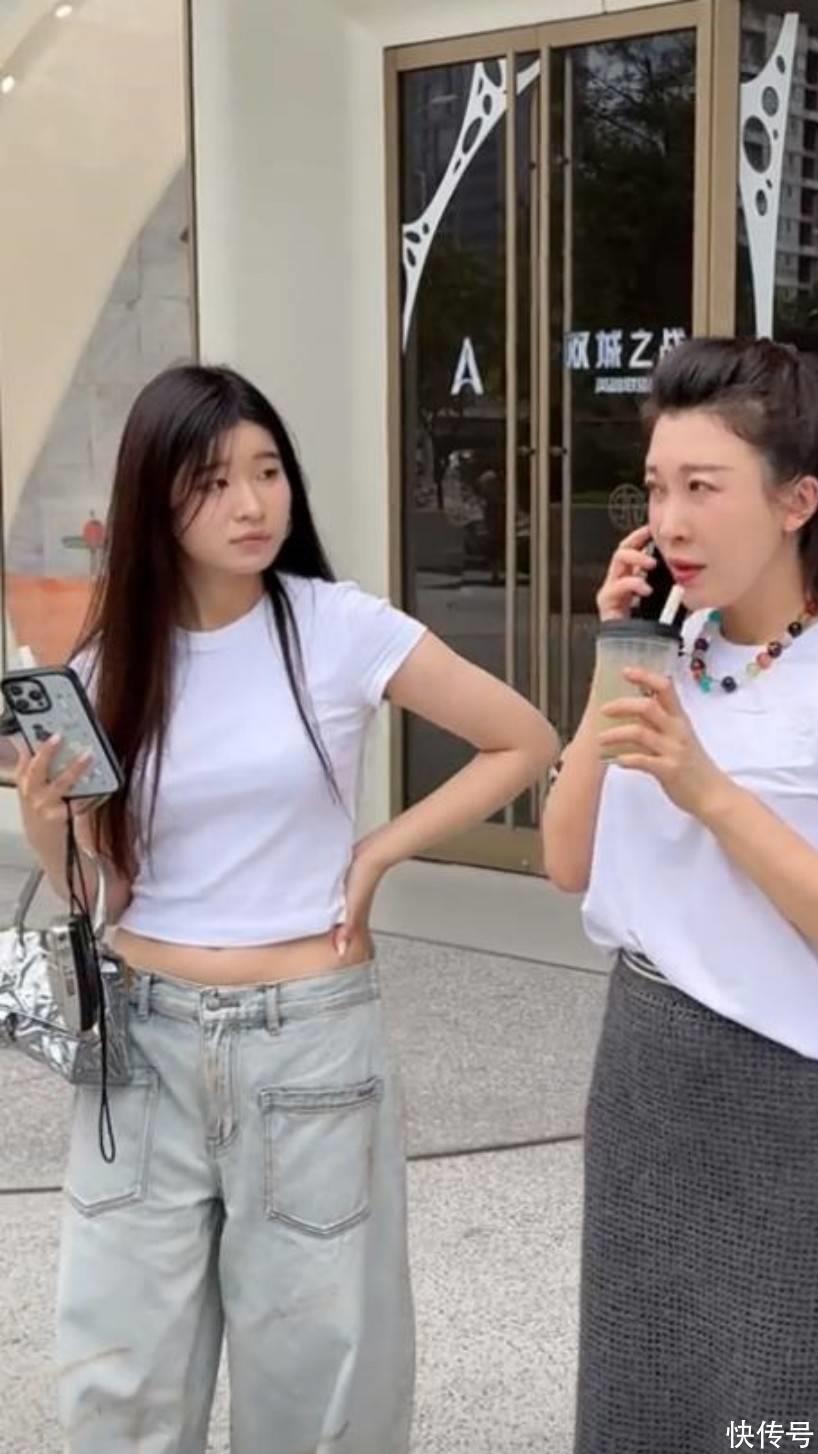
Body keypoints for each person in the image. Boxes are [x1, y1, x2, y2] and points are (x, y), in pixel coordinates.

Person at [13, 363, 559, 1454]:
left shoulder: (337, 626)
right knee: (119, 1385)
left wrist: (379, 850)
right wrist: (47, 827)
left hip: (308, 1044)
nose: (253, 503)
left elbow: (523, 739)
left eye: (267, 472)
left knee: (319, 1388)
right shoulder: (116, 658)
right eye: (214, 481)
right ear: (156, 498)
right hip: (144, 1045)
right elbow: (106, 888)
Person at [542, 337, 818, 1454]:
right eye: (655, 488)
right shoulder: (666, 651)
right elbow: (567, 860)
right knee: (639, 1406)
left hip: (800, 1115)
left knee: (797, 1413)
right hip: (643, 1084)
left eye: (702, 487)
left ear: (796, 501)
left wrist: (710, 793)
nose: (669, 521)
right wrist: (615, 655)